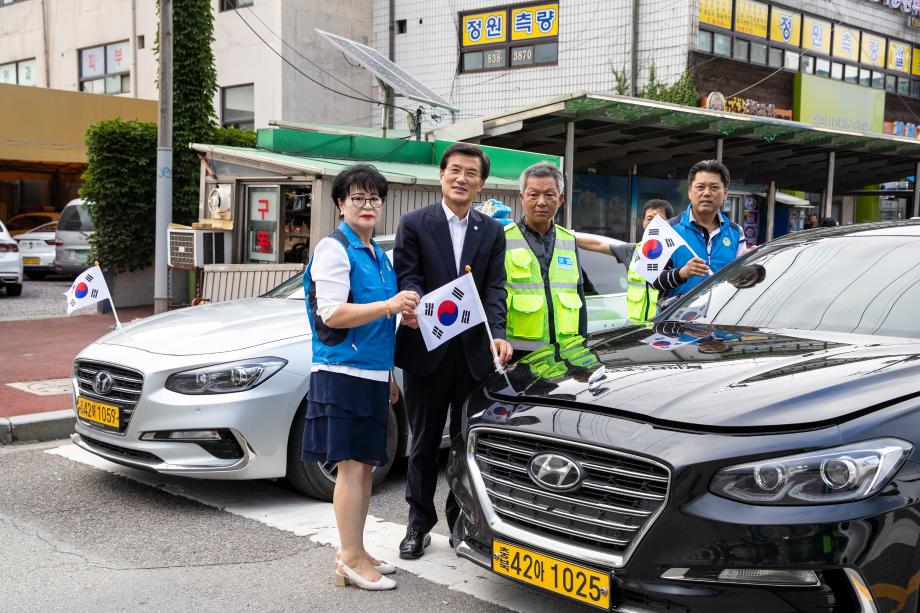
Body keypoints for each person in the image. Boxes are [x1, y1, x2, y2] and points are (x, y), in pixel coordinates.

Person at [302, 164, 420, 591]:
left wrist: (388, 374)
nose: (367, 205)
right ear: (341, 204)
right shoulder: (334, 249)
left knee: (365, 467)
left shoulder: (377, 254)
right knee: (352, 468)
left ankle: (357, 549)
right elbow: (332, 313)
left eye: (374, 198)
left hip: (370, 373)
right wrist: (390, 306)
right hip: (341, 374)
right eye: (358, 198)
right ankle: (349, 558)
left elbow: (378, 325)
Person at [393, 143, 513, 559]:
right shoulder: (414, 223)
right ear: (441, 175)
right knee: (423, 444)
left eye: (471, 173)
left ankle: (461, 524)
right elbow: (408, 275)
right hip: (426, 349)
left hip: (472, 356)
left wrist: (498, 333)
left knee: (465, 447)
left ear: (481, 184)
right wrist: (415, 304)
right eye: (455, 170)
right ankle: (417, 524)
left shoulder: (491, 231)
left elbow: (494, 288)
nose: (462, 178)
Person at [504, 162, 588, 359]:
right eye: (533, 194)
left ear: (560, 199)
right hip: (518, 355)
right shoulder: (502, 239)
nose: (541, 202)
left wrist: (582, 348)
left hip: (564, 353)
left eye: (549, 195)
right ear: (522, 198)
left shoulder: (569, 241)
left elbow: (580, 298)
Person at [653, 160, 745, 297]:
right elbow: (651, 279)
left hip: (722, 309)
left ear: (725, 193)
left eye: (714, 187)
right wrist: (681, 273)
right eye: (700, 187)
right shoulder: (666, 230)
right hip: (678, 310)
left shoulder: (736, 233)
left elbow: (741, 282)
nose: (706, 193)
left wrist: (750, 265)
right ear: (690, 191)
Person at [577, 199, 676, 323]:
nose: (653, 223)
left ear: (669, 223)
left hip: (662, 327)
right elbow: (598, 244)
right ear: (643, 223)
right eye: (649, 218)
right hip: (634, 326)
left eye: (659, 219)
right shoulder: (632, 251)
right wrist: (567, 235)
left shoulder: (676, 252)